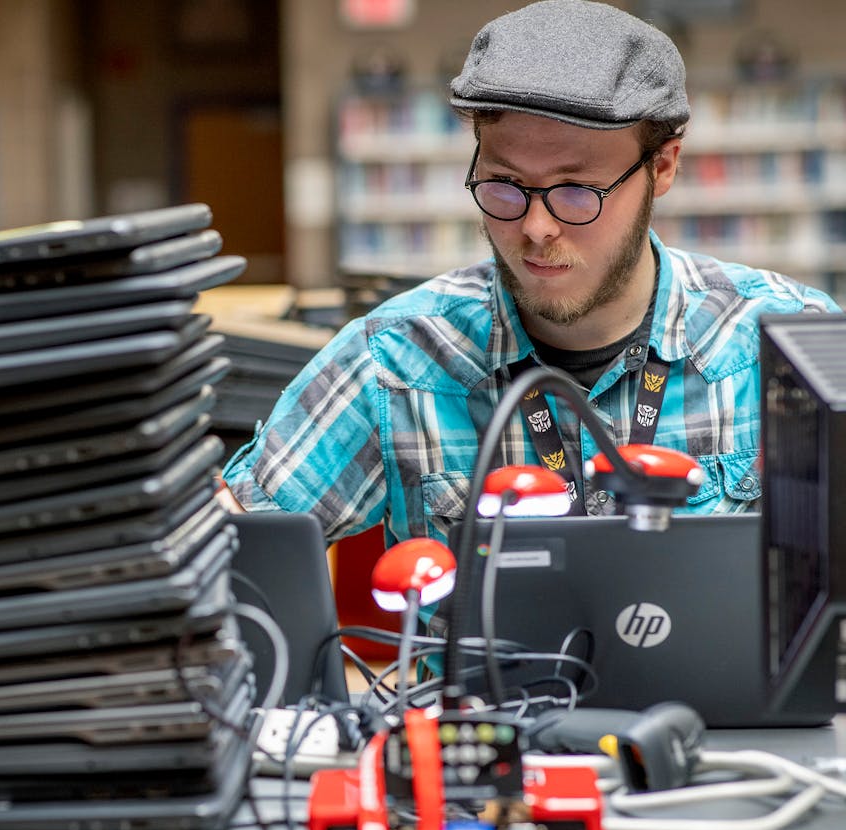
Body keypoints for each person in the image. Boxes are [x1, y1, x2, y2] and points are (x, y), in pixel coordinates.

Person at [218, 0, 839, 549]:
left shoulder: (790, 344)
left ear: (663, 167)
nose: (538, 228)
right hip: (479, 688)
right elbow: (233, 556)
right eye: (506, 186)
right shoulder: (394, 359)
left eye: (575, 191)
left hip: (724, 689)